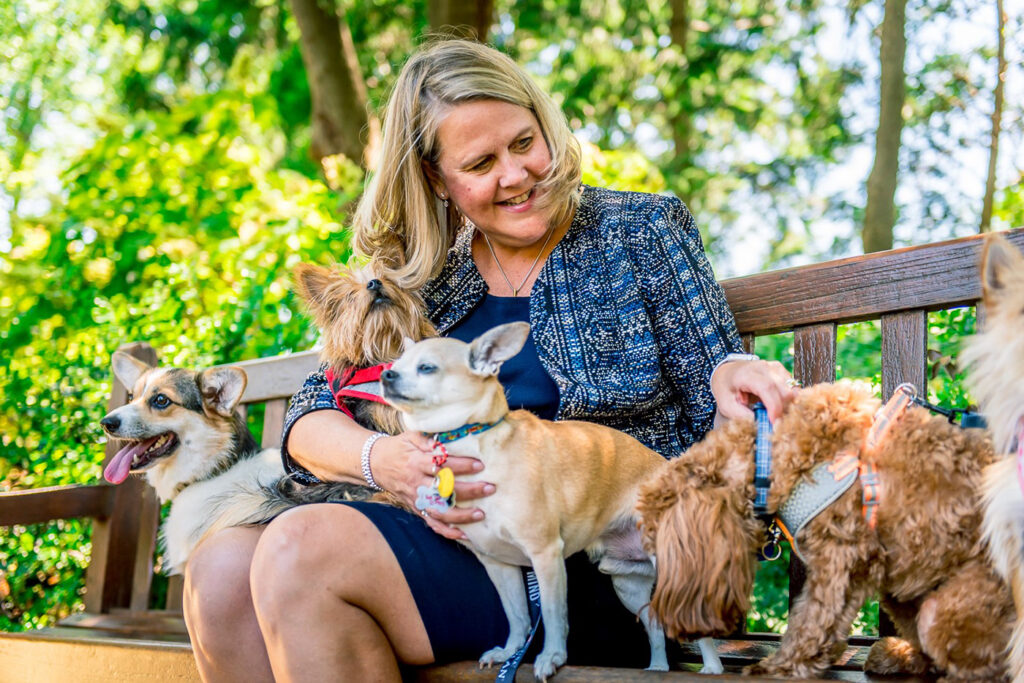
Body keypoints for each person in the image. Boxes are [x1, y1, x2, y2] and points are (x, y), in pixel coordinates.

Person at [182, 38, 796, 682]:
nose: (516, 174)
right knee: (219, 572)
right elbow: (311, 414)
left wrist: (734, 376)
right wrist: (383, 461)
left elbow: (715, 384)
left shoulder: (639, 229)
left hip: (598, 555)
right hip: (459, 539)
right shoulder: (425, 280)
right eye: (480, 162)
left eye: (525, 143)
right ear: (435, 179)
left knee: (300, 550)